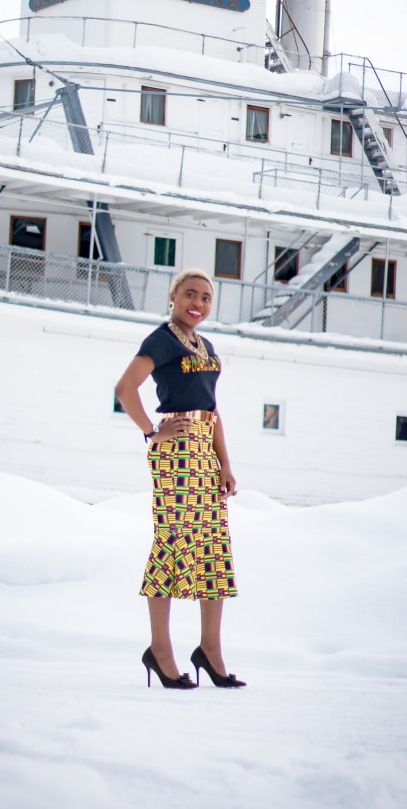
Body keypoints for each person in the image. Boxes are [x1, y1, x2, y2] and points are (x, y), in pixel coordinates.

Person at [115, 268, 245, 689]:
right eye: (191, 294)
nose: (199, 303)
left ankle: (210, 651)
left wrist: (225, 464)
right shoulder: (161, 340)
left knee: (213, 549)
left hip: (206, 453)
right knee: (172, 545)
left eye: (207, 298)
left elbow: (214, 409)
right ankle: (161, 650)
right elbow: (125, 388)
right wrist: (152, 432)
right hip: (176, 455)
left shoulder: (205, 345)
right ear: (173, 296)